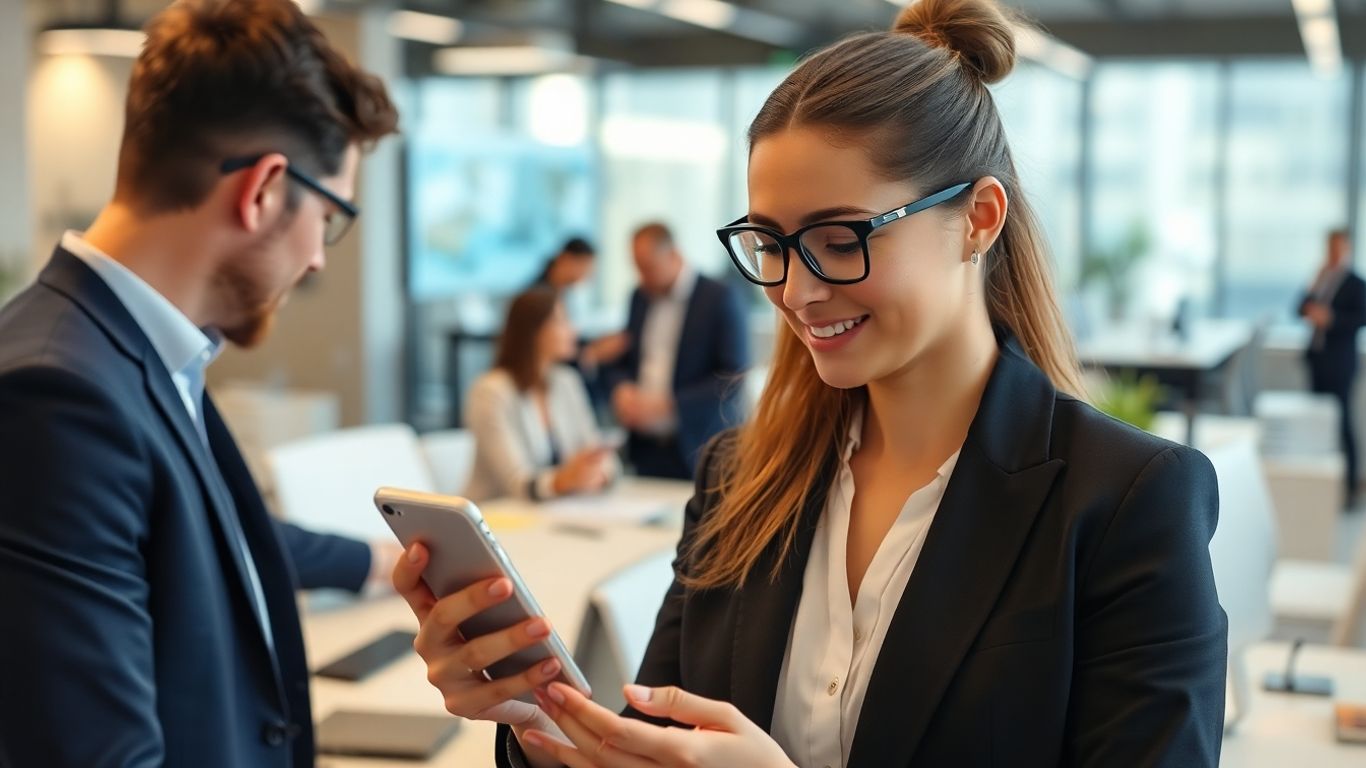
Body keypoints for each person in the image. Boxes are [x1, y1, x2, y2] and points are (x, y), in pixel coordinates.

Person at [393, 1, 1229, 766]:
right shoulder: (738, 481)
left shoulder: (1125, 504)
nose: (795, 290)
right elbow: (657, 741)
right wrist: (540, 726)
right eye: (770, 243)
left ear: (978, 218)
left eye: (837, 239)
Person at [0, 1, 399, 766]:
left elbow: (197, 536)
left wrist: (382, 564)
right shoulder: (57, 395)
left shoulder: (129, 354)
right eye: (332, 216)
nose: (319, 258)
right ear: (265, 191)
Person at [600, 222, 750, 479]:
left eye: (648, 267)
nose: (642, 276)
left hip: (699, 445)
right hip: (645, 447)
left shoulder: (720, 298)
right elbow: (625, 357)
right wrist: (620, 388)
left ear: (674, 255)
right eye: (637, 267)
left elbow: (734, 375)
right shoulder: (639, 297)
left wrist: (670, 406)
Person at [465, 287, 619, 501]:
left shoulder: (566, 381)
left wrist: (595, 473)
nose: (572, 330)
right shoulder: (491, 391)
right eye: (561, 321)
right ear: (533, 330)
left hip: (553, 514)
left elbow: (599, 455)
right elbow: (517, 482)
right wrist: (564, 480)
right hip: (497, 517)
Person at [1299, 228, 1366, 507]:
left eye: (1339, 248)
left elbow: (1361, 318)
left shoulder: (1355, 283)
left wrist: (1332, 319)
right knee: (1317, 422)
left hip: (1340, 363)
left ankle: (1350, 487)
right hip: (1317, 359)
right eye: (1331, 248)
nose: (1334, 254)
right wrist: (1313, 286)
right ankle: (1319, 485)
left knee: (1342, 423)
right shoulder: (1322, 279)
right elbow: (1299, 309)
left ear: (1347, 249)